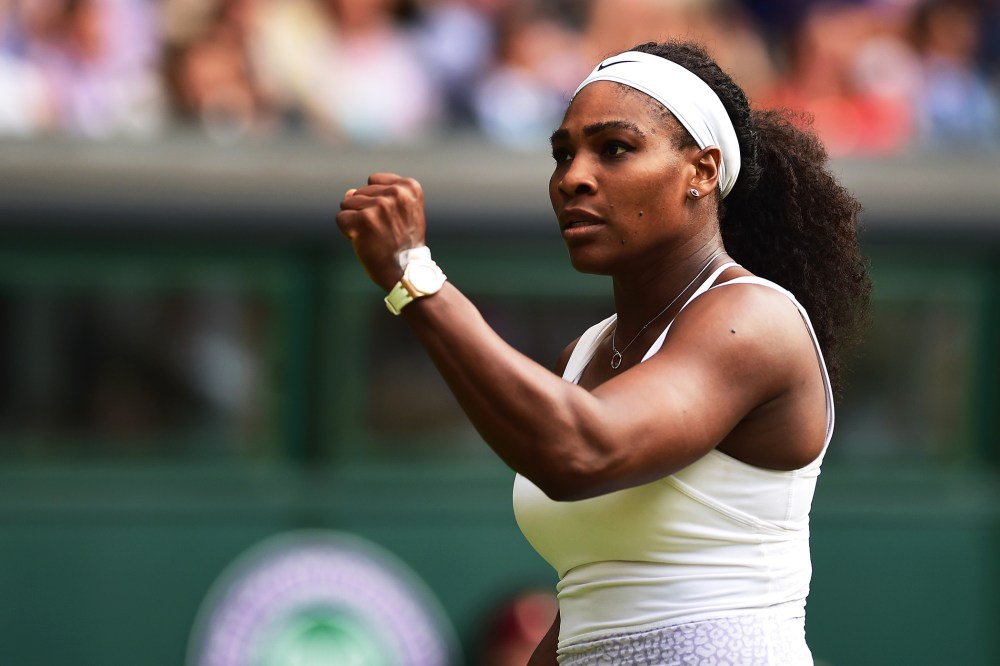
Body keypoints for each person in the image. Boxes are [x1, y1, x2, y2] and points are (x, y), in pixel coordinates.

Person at [336, 39, 870, 665]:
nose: (572, 178)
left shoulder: (753, 319)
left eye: (615, 148)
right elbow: (594, 610)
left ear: (701, 170)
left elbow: (581, 451)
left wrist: (415, 278)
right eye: (562, 155)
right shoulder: (584, 354)